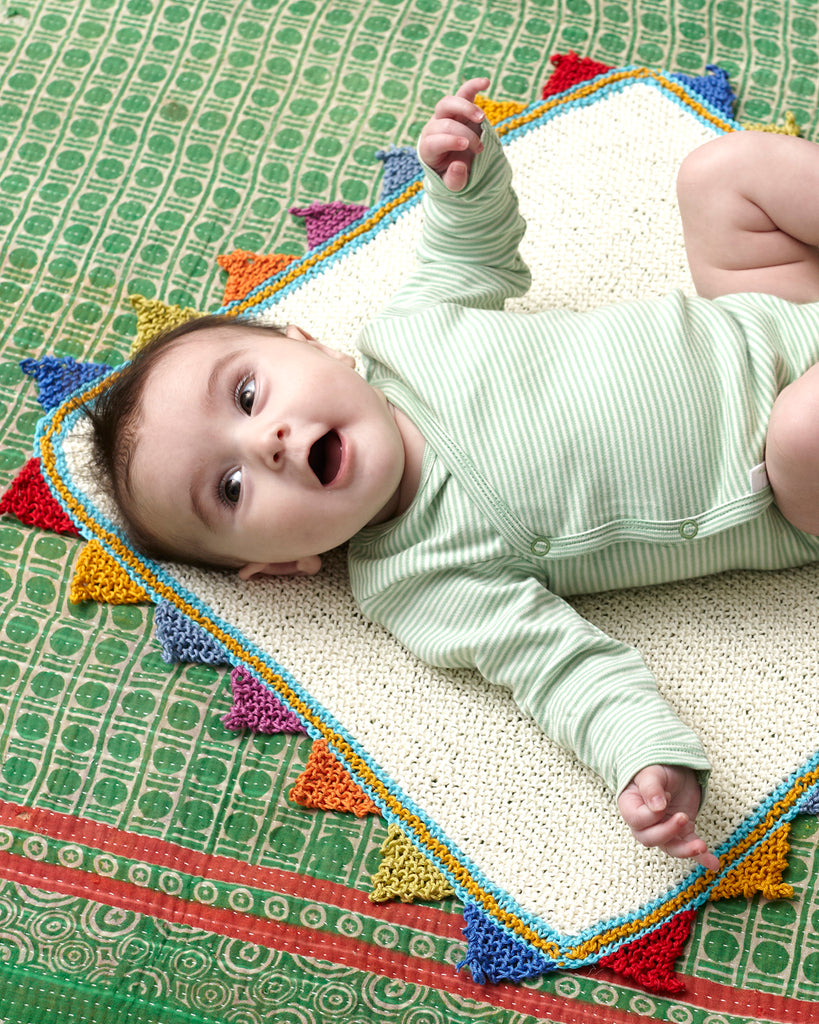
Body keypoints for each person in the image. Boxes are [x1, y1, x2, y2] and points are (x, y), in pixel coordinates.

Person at [90, 78, 819, 874]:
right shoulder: (419, 578)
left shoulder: (406, 334)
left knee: (721, 173)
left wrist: (459, 177)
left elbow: (471, 251)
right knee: (800, 430)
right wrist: (642, 759)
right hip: (791, 479)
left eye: (247, 393)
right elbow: (555, 664)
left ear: (314, 345)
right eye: (228, 489)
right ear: (279, 571)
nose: (264, 441)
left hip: (769, 311)